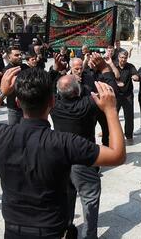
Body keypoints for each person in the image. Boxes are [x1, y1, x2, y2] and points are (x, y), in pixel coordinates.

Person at [0, 67, 126, 238]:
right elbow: (117, 155)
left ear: (17, 102)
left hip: (13, 228)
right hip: (50, 229)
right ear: (52, 102)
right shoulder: (64, 142)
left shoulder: (1, 134)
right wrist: (111, 110)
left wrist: (0, 93)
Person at [51, 74, 101, 239]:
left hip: (61, 159)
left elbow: (49, 89)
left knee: (66, 195)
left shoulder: (54, 105)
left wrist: (54, 72)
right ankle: (89, 236)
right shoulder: (88, 104)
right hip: (83, 158)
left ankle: (66, 228)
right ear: (78, 90)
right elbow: (107, 92)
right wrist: (104, 70)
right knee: (90, 198)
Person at [3, 46, 30, 125]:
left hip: (28, 106)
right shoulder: (7, 71)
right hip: (14, 108)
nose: (20, 57)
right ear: (9, 57)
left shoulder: (25, 67)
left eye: (20, 54)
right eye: (16, 55)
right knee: (14, 132)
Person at [115, 50, 139, 140]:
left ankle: (129, 135)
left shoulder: (130, 66)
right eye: (121, 57)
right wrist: (116, 82)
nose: (123, 59)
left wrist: (136, 77)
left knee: (129, 116)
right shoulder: (114, 66)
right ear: (118, 57)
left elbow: (136, 75)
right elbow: (108, 77)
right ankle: (112, 133)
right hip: (116, 95)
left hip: (127, 95)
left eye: (125, 58)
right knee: (113, 115)